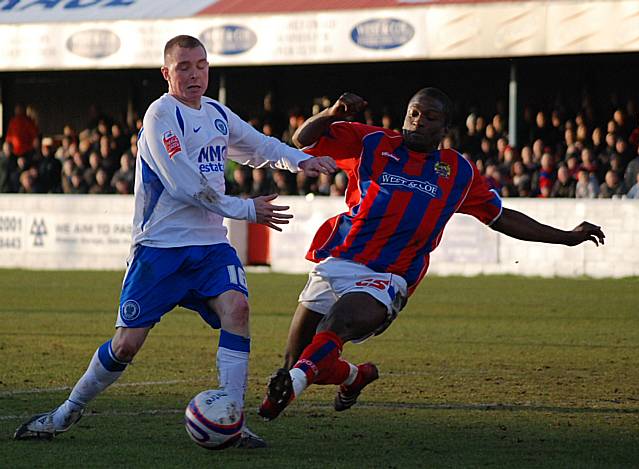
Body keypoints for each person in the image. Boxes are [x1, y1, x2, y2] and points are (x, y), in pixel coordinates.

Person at [14, 34, 336, 448]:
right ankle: (65, 413)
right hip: (159, 250)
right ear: (166, 73)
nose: (194, 74)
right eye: (184, 67)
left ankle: (232, 422)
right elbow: (184, 185)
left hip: (209, 247)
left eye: (201, 65)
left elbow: (258, 146)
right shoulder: (161, 115)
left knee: (237, 308)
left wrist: (301, 160)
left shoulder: (217, 113)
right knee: (126, 345)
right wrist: (246, 209)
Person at [257, 89, 605, 422]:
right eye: (414, 113)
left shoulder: (458, 171)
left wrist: (566, 237)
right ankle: (354, 377)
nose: (418, 121)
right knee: (298, 358)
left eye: (429, 117)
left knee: (336, 327)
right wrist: (332, 114)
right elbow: (304, 140)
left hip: (389, 275)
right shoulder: (373, 142)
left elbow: (501, 217)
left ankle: (285, 393)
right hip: (339, 260)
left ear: (444, 128)